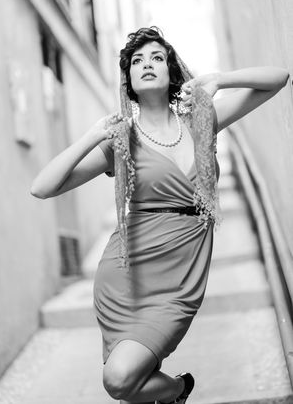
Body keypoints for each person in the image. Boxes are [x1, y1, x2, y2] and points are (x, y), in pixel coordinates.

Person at [31, 27, 289, 404]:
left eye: (156, 58)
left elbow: (278, 79)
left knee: (126, 380)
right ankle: (178, 389)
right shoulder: (121, 142)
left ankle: (171, 392)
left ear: (171, 71)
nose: (147, 64)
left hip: (181, 278)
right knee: (121, 381)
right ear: (129, 82)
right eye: (137, 61)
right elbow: (43, 186)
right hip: (127, 277)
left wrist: (219, 79)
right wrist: (91, 136)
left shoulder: (201, 121)